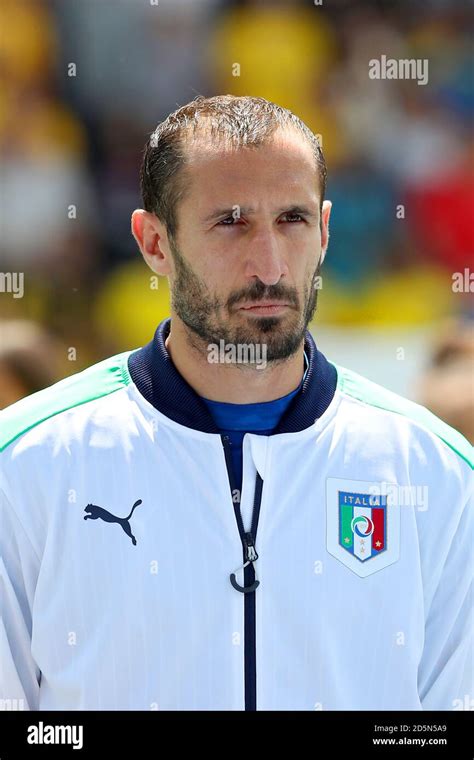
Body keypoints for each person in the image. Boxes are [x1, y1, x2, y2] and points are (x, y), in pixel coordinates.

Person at [0, 95, 472, 711]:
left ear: (326, 230)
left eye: (293, 220)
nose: (270, 265)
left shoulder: (434, 471)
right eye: (231, 222)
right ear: (153, 243)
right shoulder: (27, 463)